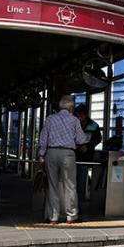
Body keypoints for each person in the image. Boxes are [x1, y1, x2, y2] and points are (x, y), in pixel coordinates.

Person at [37, 95, 88, 224]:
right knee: (70, 185)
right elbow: (81, 140)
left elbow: (43, 138)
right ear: (71, 107)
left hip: (51, 152)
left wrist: (41, 154)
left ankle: (53, 217)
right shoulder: (74, 120)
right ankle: (71, 216)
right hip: (68, 154)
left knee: (52, 185)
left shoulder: (50, 119)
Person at [73, 104, 102, 209]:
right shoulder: (74, 124)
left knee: (81, 182)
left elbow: (98, 139)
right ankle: (71, 205)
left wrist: (88, 147)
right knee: (72, 183)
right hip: (73, 156)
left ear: (85, 114)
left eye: (80, 114)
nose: (79, 116)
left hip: (85, 158)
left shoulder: (94, 125)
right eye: (77, 114)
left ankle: (79, 206)